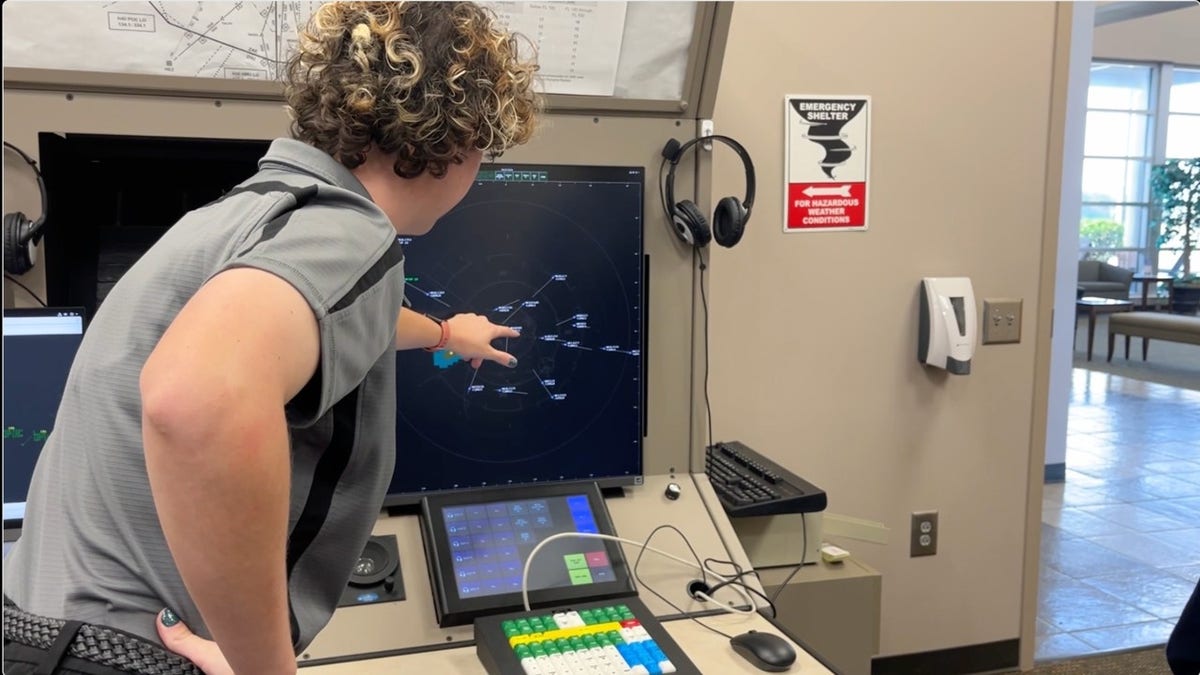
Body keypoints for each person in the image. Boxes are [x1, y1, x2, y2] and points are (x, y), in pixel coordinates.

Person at [1, 3, 540, 674]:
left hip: (36, 631)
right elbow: (195, 399)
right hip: (128, 654)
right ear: (458, 144)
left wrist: (445, 332)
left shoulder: (244, 216)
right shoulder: (352, 236)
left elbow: (323, 317)